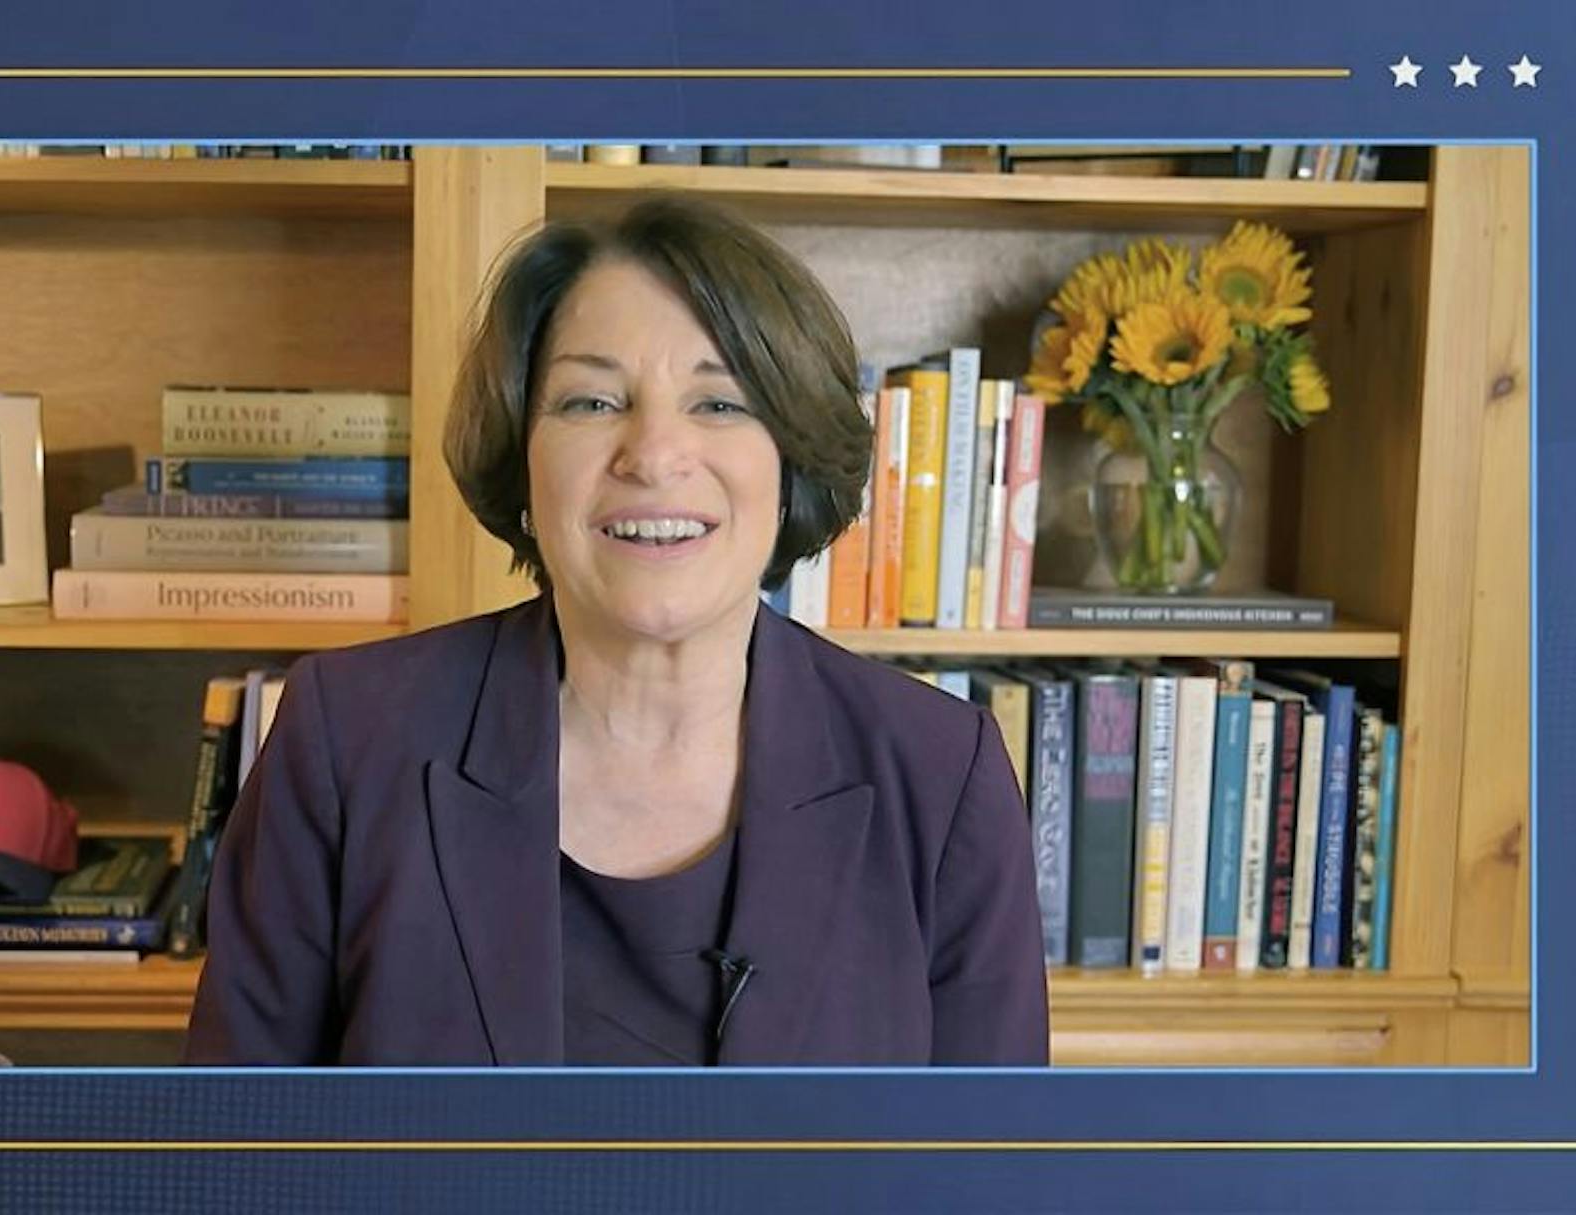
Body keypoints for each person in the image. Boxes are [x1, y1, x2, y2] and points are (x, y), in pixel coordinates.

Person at [183, 196, 1048, 1067]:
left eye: (719, 404)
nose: (653, 453)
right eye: (593, 401)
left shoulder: (941, 776)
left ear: (790, 464)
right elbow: (234, 1160)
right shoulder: (345, 740)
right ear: (522, 457)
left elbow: (990, 1181)